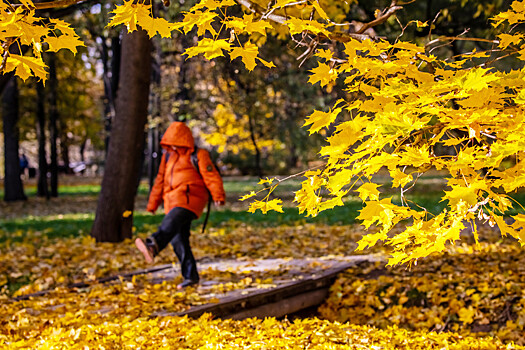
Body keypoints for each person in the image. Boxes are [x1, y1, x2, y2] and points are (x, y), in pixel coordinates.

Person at [135, 121, 225, 289]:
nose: (173, 147)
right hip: (171, 201)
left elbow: (211, 176)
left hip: (190, 199)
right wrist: (153, 203)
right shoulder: (168, 157)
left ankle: (153, 245)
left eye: (176, 143)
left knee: (171, 222)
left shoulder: (199, 154)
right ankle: (190, 277)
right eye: (170, 144)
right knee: (179, 240)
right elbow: (160, 180)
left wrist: (218, 195)